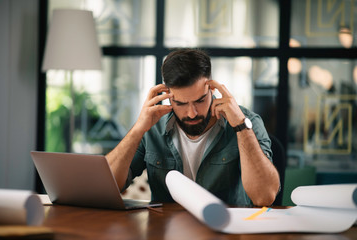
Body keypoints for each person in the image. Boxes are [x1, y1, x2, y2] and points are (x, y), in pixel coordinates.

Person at [106, 49, 280, 206]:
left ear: (212, 88)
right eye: (180, 103)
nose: (191, 113)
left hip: (227, 231)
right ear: (167, 95)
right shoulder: (152, 127)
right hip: (164, 230)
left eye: (200, 100)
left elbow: (264, 197)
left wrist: (241, 126)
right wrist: (138, 130)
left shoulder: (247, 122)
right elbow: (108, 187)